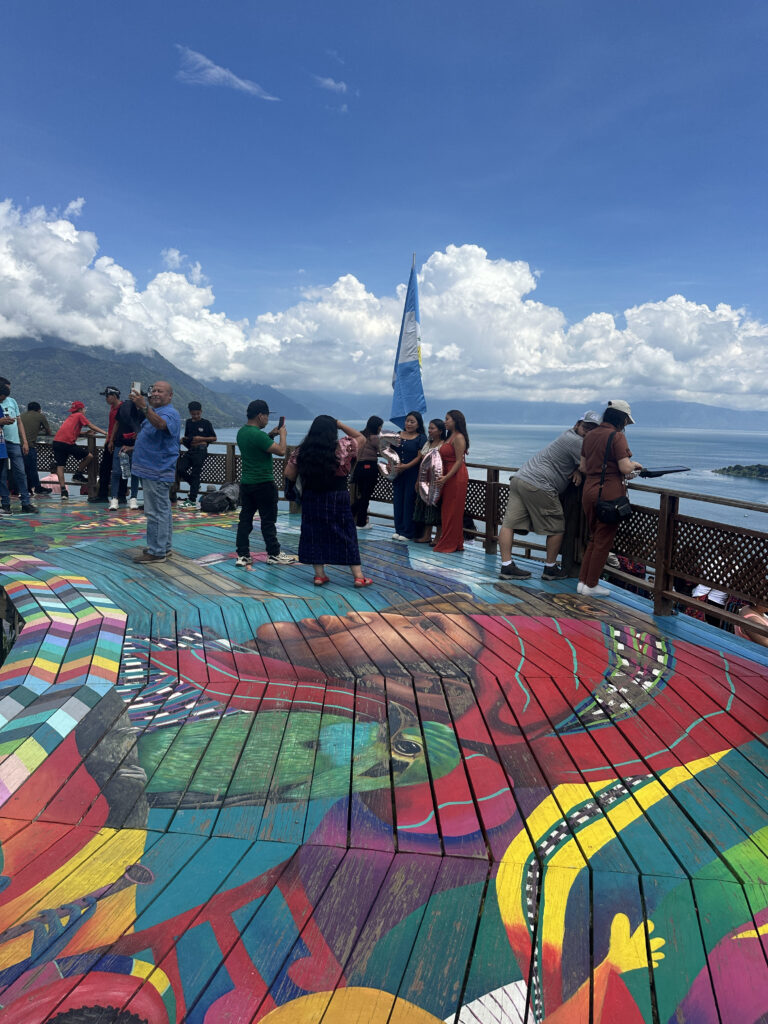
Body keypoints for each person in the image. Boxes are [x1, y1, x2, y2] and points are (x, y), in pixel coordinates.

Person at [498, 411, 602, 581]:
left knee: (509, 524)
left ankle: (506, 566)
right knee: (557, 526)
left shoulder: (567, 436)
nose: (588, 432)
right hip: (540, 484)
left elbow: (580, 464)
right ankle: (550, 568)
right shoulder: (578, 442)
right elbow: (589, 466)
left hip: (520, 479)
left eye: (593, 430)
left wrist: (576, 468)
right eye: (586, 427)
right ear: (577, 425)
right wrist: (580, 470)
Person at [284, 416, 372, 586]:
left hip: (312, 496)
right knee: (346, 532)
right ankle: (358, 576)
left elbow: (289, 473)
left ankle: (319, 575)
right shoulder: (343, 446)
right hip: (337, 495)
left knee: (313, 533)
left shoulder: (302, 450)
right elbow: (362, 438)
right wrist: (339, 423)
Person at [578, 400, 642, 597]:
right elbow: (624, 467)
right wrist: (635, 465)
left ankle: (583, 582)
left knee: (593, 537)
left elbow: (583, 468)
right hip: (609, 494)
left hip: (589, 491)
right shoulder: (617, 436)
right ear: (621, 419)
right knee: (603, 541)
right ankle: (591, 585)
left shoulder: (590, 435)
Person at [235, 400, 297, 568]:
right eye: (267, 416)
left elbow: (258, 446)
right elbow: (281, 451)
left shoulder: (242, 433)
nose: (268, 419)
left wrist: (271, 435)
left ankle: (243, 555)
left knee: (245, 520)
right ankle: (274, 553)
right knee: (268, 521)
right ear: (260, 415)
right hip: (264, 483)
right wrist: (283, 435)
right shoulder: (258, 435)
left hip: (247, 484)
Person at [129, 381, 182, 563]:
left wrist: (144, 408)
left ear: (170, 396)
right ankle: (163, 547)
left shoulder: (170, 414)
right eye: (153, 390)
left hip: (157, 470)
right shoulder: (155, 412)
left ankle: (157, 551)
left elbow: (160, 425)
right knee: (162, 511)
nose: (155, 393)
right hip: (151, 470)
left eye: (161, 391)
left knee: (155, 512)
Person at [51, 401, 106, 501]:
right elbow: (91, 425)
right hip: (67, 443)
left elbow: (71, 431)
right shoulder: (79, 415)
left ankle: (63, 491)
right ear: (81, 410)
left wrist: (85, 433)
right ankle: (78, 474)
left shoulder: (71, 417)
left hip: (57, 442)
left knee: (60, 466)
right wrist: (105, 433)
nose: (84, 411)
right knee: (89, 456)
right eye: (84, 409)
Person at [433, 410, 470, 553]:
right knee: (447, 509)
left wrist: (446, 477)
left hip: (455, 476)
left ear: (455, 420)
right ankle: (455, 542)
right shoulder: (450, 436)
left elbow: (459, 460)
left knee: (453, 510)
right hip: (447, 474)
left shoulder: (459, 437)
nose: (445, 421)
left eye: (447, 419)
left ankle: (449, 543)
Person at [0, 378, 36, 514]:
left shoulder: (12, 401)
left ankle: (26, 502)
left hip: (14, 442)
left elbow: (19, 422)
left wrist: (24, 441)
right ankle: (5, 503)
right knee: (2, 475)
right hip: (1, 443)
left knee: (21, 472)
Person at [391, 411, 427, 541]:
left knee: (408, 501)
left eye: (412, 422)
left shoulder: (421, 438)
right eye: (407, 421)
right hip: (398, 473)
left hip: (412, 473)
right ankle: (398, 529)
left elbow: (420, 456)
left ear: (418, 424)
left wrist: (406, 466)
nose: (409, 424)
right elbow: (388, 450)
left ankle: (408, 531)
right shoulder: (397, 435)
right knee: (398, 500)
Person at [107, 391, 145, 511]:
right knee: (117, 472)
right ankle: (114, 499)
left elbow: (145, 429)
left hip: (135, 446)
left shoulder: (144, 411)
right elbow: (117, 424)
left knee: (135, 473)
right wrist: (111, 440)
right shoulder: (124, 407)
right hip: (119, 443)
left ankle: (133, 499)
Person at [413, 418, 447, 544]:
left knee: (435, 508)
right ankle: (427, 535)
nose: (429, 430)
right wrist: (418, 480)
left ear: (440, 431)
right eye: (429, 428)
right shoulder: (428, 444)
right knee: (424, 507)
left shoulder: (443, 445)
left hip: (436, 480)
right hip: (424, 480)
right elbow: (421, 463)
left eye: (432, 428)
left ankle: (438, 536)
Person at [177, 402, 217, 508]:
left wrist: (201, 438)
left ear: (201, 412)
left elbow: (214, 438)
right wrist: (184, 440)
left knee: (196, 474)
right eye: (193, 414)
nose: (196, 416)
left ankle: (192, 500)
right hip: (191, 450)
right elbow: (187, 436)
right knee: (180, 468)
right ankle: (195, 485)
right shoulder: (189, 422)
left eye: (198, 414)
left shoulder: (206, 423)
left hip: (201, 450)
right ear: (190, 413)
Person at [350, 415, 383, 529]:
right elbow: (383, 451)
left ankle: (350, 516)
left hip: (358, 467)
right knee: (365, 496)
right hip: (370, 467)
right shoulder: (375, 438)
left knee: (361, 495)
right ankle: (360, 522)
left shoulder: (360, 434)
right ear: (377, 427)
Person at [19, 401, 53, 496]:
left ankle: (27, 489)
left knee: (24, 468)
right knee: (32, 468)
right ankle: (37, 488)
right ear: (39, 409)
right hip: (29, 446)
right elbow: (49, 432)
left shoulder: (21, 416)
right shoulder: (40, 416)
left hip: (18, 445)